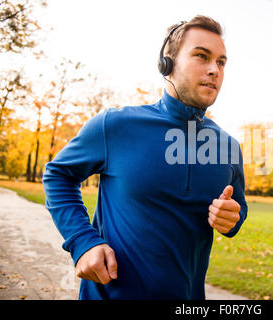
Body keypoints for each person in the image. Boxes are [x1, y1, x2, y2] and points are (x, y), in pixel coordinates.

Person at [42, 15, 247, 300]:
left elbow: (238, 209)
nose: (214, 69)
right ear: (168, 62)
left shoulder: (228, 146)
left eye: (221, 62)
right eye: (202, 56)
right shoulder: (115, 125)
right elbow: (58, 174)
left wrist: (232, 218)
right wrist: (82, 241)